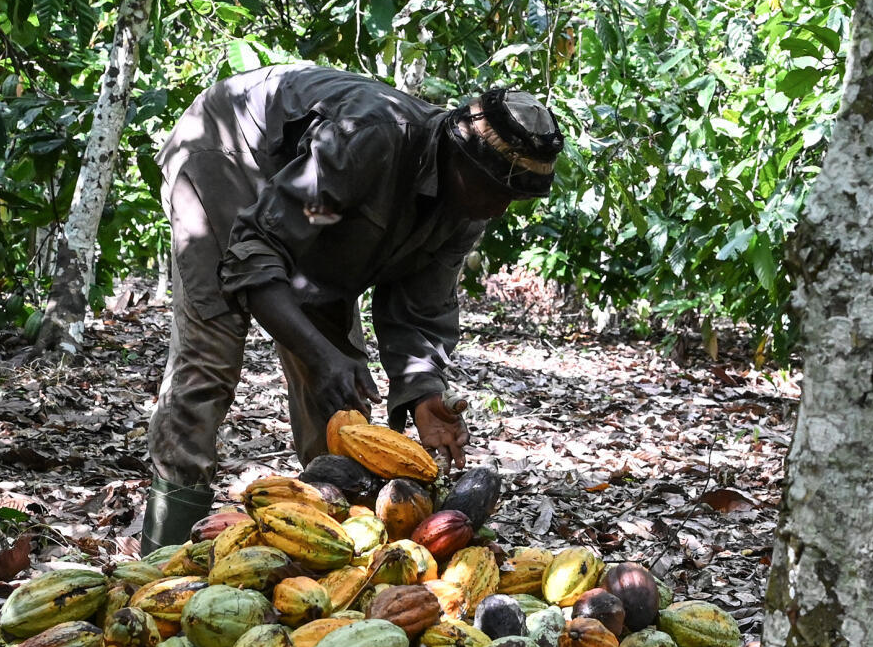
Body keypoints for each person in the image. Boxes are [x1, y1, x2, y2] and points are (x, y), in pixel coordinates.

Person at [139, 64, 563, 548]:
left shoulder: (468, 209)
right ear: (458, 158)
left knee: (341, 404)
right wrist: (321, 354)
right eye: (496, 191)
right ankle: (162, 549)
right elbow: (254, 251)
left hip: (314, 220)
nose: (500, 208)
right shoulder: (369, 140)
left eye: (513, 197)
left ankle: (324, 544)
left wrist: (424, 394)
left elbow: (419, 312)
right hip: (230, 155)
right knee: (210, 357)